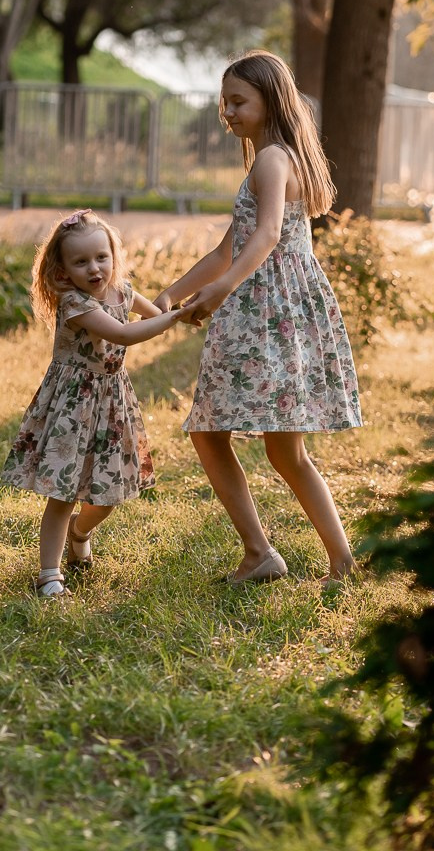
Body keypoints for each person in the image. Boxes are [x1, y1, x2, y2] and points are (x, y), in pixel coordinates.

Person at [155, 51, 362, 585]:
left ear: (271, 99)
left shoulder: (273, 159)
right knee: (285, 452)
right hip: (276, 309)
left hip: (264, 312)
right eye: (223, 101)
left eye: (238, 100)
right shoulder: (275, 156)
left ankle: (263, 553)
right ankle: (338, 561)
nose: (227, 110)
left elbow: (266, 235)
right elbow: (231, 246)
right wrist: (174, 291)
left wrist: (222, 290)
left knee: (215, 433)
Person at [1, 209, 187, 598]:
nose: (94, 268)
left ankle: (80, 531)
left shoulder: (122, 291)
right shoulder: (74, 303)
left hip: (112, 403)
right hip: (74, 404)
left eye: (101, 257)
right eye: (81, 261)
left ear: (113, 256)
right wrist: (173, 320)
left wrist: (178, 313)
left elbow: (153, 313)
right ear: (63, 270)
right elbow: (123, 334)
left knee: (108, 492)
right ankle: (49, 575)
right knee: (63, 492)